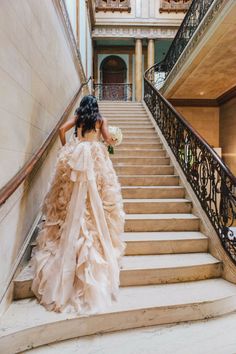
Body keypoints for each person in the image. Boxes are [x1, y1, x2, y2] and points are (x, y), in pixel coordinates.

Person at [31, 95, 126, 314]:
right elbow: (108, 141)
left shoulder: (78, 117)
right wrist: (115, 140)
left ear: (83, 106)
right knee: (97, 198)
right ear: (96, 107)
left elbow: (61, 130)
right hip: (94, 155)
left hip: (77, 154)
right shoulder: (101, 119)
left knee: (73, 198)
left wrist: (67, 148)